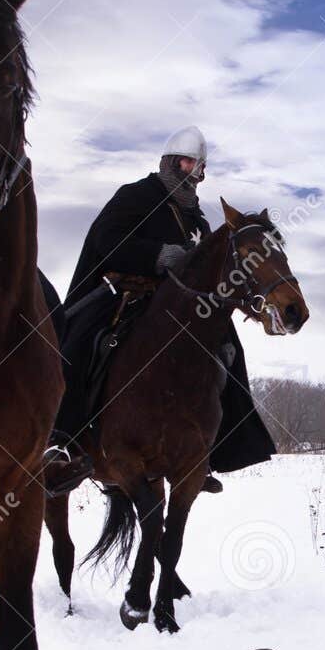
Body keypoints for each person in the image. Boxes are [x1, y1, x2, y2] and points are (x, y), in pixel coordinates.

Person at [41, 127, 276, 495]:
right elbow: (106, 238)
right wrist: (157, 255)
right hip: (126, 293)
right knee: (80, 341)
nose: (193, 172)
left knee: (228, 349)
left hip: (179, 308)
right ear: (169, 162)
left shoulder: (198, 219)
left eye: (199, 166)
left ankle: (211, 449)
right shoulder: (137, 196)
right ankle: (61, 442)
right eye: (187, 162)